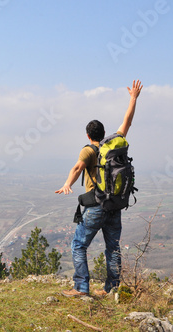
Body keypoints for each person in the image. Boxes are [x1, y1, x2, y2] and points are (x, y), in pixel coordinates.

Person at [55, 80, 143, 297]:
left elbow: (78, 167)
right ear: (104, 133)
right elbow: (127, 122)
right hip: (115, 204)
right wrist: (133, 98)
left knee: (78, 245)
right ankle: (112, 290)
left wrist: (67, 184)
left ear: (88, 135)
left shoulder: (89, 150)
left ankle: (81, 288)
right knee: (112, 248)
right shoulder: (113, 143)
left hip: (96, 206)